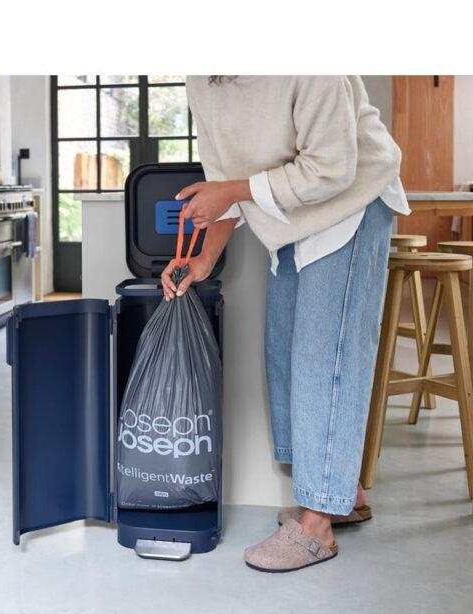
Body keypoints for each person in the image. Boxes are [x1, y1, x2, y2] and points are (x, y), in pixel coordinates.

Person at [161, 75, 410, 573]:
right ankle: (343, 492)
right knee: (286, 353)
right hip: (289, 218)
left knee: (327, 359)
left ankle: (317, 524)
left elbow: (332, 169)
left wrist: (231, 190)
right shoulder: (204, 76)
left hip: (351, 202)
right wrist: (205, 257)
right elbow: (225, 180)